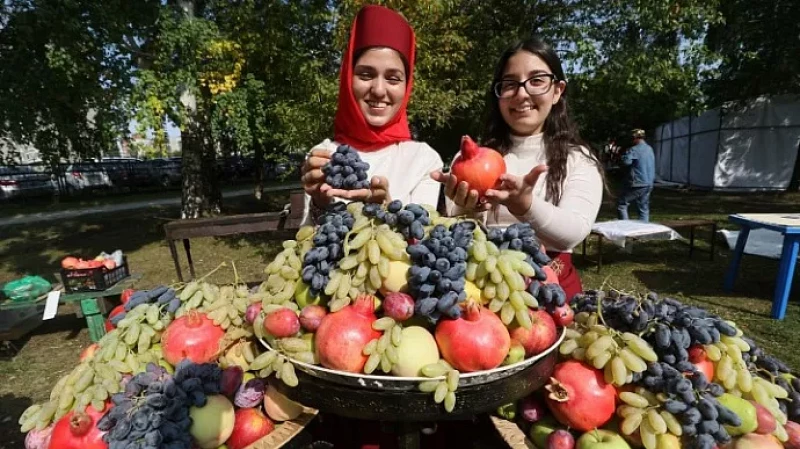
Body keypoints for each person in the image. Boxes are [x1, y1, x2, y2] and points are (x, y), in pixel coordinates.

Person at [431, 38, 604, 300]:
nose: (522, 93)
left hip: (552, 293)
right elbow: (460, 239)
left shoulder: (578, 159)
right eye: (510, 84)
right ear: (498, 95)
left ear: (557, 91)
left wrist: (526, 206)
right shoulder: (465, 161)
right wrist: (468, 209)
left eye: (536, 80)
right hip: (484, 292)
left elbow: (574, 233)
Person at [299, 5, 443, 225]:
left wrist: (386, 210)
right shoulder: (324, 156)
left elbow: (425, 245)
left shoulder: (424, 161)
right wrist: (319, 205)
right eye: (366, 75)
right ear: (348, 79)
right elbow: (307, 248)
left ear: (407, 87)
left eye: (393, 78)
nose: (378, 89)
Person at [617, 128, 655, 222]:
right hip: (649, 182)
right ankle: (642, 230)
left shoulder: (633, 150)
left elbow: (626, 162)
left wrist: (623, 156)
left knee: (622, 203)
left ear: (635, 138)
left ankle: (625, 227)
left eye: (632, 138)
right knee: (643, 207)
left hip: (638, 182)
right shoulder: (650, 149)